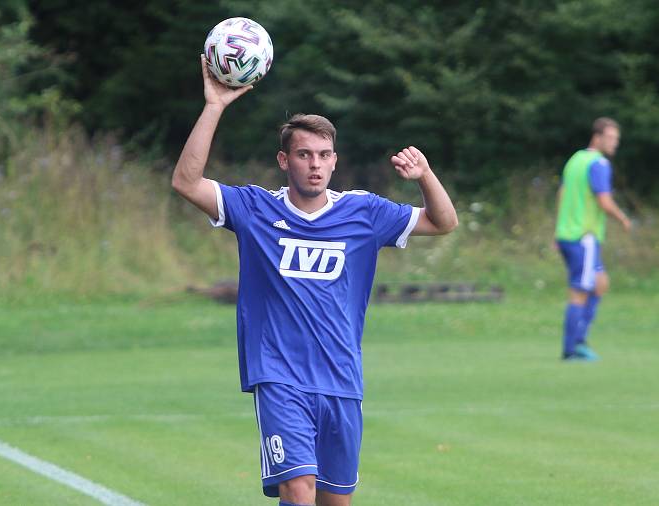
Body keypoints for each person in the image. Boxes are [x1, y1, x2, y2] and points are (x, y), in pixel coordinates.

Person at [171, 55, 458, 506]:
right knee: (298, 489)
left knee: (334, 501)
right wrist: (215, 105)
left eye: (324, 155)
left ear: (335, 161)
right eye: (304, 155)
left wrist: (425, 178)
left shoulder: (364, 212)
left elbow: (442, 222)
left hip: (342, 377)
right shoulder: (256, 209)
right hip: (280, 375)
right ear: (285, 160)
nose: (315, 165)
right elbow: (187, 182)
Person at [555, 117, 631, 361]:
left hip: (568, 235)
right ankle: (573, 347)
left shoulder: (575, 159)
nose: (614, 144)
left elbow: (562, 194)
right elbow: (604, 201)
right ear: (597, 137)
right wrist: (623, 219)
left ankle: (579, 340)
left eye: (616, 139)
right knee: (580, 290)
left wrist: (558, 228)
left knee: (600, 284)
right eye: (610, 138)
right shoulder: (598, 164)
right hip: (583, 237)